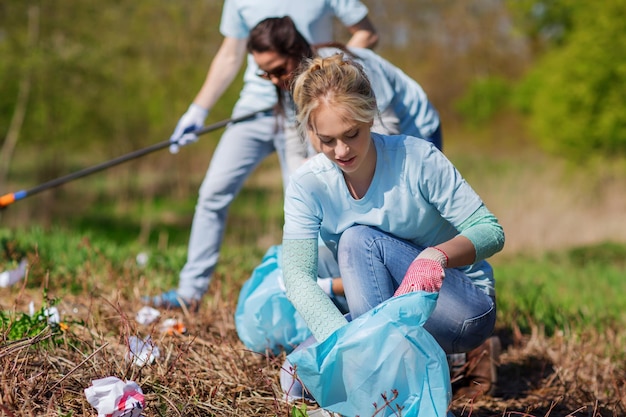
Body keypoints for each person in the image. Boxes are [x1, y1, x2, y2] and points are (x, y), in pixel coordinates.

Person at [280, 53, 505, 404]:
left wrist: (437, 256)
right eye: (326, 140)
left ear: (370, 114)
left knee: (357, 241)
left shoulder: (417, 159)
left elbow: (490, 230)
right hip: (385, 313)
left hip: (459, 306)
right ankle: (386, 374)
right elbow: (296, 274)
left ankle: (388, 395)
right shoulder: (307, 185)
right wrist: (344, 343)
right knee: (294, 376)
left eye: (352, 133)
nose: (341, 150)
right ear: (309, 131)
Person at [143, 0, 378, 310]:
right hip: (251, 112)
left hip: (305, 110)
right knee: (212, 193)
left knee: (307, 205)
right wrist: (198, 109)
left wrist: (330, 77)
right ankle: (190, 293)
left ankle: (322, 295)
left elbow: (366, 33)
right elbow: (230, 54)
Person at [246, 15, 443, 175]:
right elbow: (294, 142)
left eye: (279, 70)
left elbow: (387, 126)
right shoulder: (290, 87)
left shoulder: (349, 70)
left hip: (416, 130)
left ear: (296, 51)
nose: (274, 80)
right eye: (266, 74)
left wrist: (328, 163)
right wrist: (301, 182)